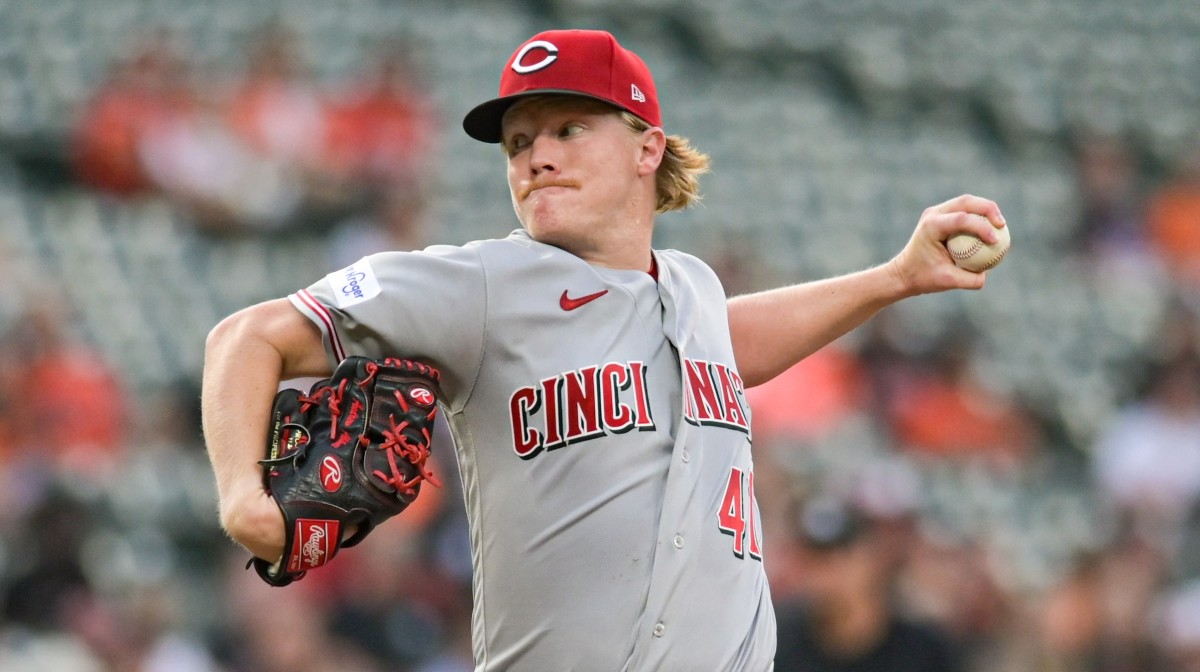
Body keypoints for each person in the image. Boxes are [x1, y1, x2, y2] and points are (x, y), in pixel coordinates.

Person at [202, 28, 1007, 671]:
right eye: (518, 142)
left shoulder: (692, 292)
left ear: (646, 148)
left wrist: (898, 278)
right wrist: (244, 498)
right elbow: (245, 337)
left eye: (567, 129)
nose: (536, 156)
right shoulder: (483, 285)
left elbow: (733, 342)